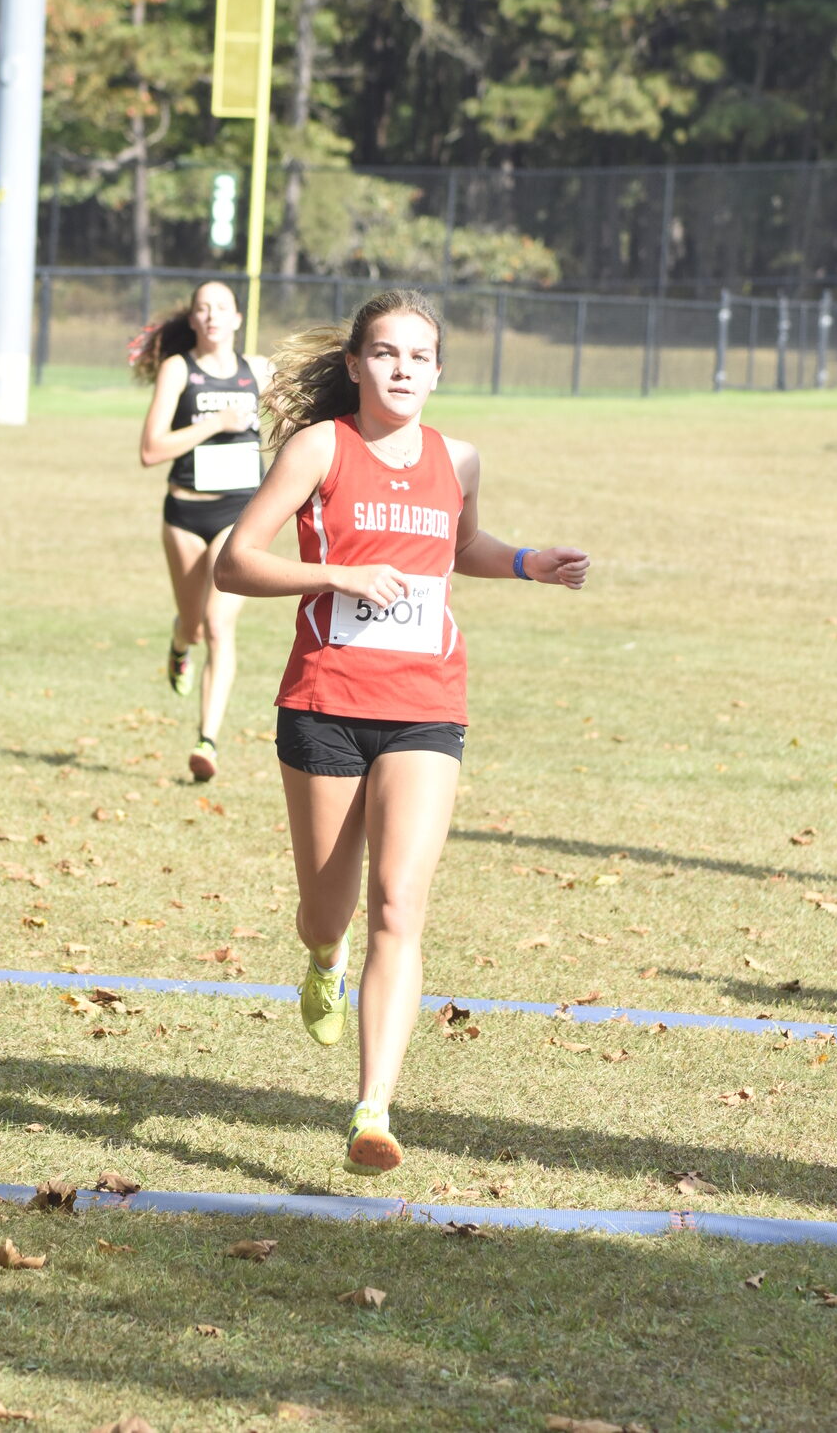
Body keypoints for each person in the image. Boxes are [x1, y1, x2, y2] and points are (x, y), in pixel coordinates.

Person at [214, 289, 589, 1177]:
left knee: (399, 903)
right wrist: (337, 575)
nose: (401, 370)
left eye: (418, 358)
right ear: (354, 365)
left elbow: (456, 545)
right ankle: (320, 957)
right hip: (324, 703)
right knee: (327, 908)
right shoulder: (319, 448)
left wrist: (528, 561)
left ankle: (372, 1108)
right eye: (385, 354)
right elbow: (236, 560)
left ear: (438, 372)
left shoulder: (457, 459)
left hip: (427, 704)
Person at [134, 280, 272, 781]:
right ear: (192, 319)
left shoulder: (258, 371)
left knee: (219, 622)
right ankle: (177, 642)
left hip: (240, 515)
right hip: (185, 514)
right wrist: (217, 423)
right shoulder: (179, 370)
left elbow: (295, 420)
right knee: (193, 623)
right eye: (202, 308)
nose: (212, 315)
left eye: (222, 308)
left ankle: (207, 742)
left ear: (238, 318)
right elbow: (151, 450)